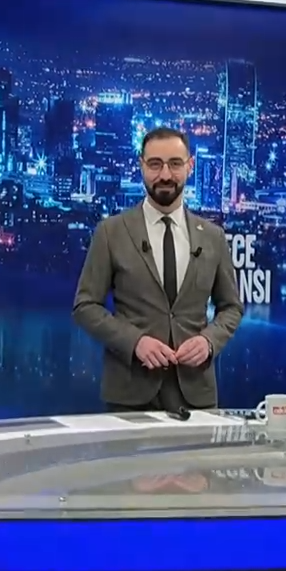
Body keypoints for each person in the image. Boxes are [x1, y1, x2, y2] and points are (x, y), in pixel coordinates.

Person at [72, 127, 245, 412]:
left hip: (196, 395)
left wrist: (208, 342)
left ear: (190, 166)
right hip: (130, 393)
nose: (165, 175)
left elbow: (231, 308)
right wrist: (135, 342)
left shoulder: (213, 237)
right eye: (155, 164)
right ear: (141, 165)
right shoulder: (111, 232)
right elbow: (85, 306)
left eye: (175, 164)